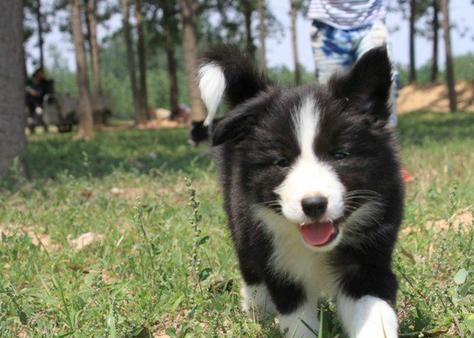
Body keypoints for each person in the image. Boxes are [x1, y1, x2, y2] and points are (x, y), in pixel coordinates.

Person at [308, 0, 398, 125]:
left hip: (371, 20)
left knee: (385, 83)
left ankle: (385, 138)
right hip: (328, 25)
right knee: (329, 103)